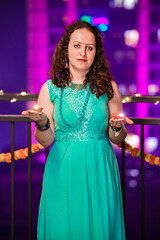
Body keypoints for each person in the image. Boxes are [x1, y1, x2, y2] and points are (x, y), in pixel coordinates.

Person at [22, 20, 132, 240]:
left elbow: (117, 138)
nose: (83, 52)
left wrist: (117, 128)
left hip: (99, 167)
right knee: (63, 227)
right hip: (63, 169)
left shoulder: (109, 87)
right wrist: (43, 122)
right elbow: (45, 140)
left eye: (89, 47)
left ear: (96, 54)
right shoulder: (50, 88)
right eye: (77, 45)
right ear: (66, 49)